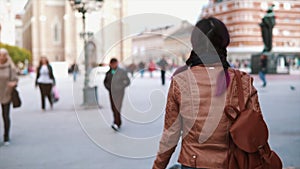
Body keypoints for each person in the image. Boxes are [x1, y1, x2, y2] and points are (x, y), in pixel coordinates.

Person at [153, 17, 264, 169]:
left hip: (192, 163)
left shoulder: (180, 81)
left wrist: (158, 166)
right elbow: (256, 128)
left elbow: (170, 136)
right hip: (232, 163)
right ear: (225, 42)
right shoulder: (242, 80)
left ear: (195, 43)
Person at [104, 58, 130, 131]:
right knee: (113, 107)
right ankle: (117, 121)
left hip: (120, 93)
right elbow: (105, 82)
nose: (113, 65)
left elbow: (127, 81)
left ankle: (117, 123)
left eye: (115, 63)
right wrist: (109, 88)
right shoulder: (109, 72)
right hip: (111, 92)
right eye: (112, 64)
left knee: (117, 107)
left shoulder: (122, 72)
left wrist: (121, 87)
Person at [0, 48, 18, 145]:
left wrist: (13, 83)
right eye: (0, 55)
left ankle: (6, 136)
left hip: (6, 93)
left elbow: (15, 79)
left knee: (5, 116)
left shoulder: (10, 67)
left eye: (3, 55)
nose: (2, 57)